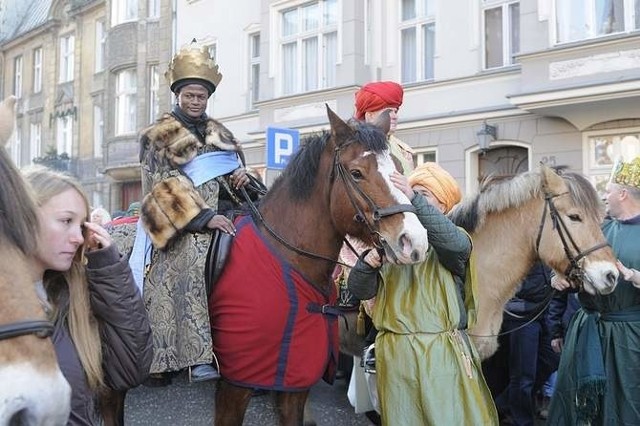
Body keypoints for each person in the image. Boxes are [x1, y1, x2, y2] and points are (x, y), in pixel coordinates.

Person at [347, 162, 499, 425]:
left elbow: (455, 244)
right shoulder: (391, 242)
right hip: (395, 354)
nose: (408, 197)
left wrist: (413, 197)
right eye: (406, 192)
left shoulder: (456, 240)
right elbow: (361, 291)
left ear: (442, 206)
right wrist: (366, 265)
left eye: (423, 194)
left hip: (441, 354)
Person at [136, 40, 250, 383]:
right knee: (192, 256)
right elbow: (161, 185)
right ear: (178, 95)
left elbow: (234, 181)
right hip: (177, 225)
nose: (196, 102)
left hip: (226, 215)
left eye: (201, 96)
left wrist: (244, 178)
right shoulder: (158, 134)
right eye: (189, 95)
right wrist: (203, 218)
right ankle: (195, 358)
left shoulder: (222, 134)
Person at [23, 166, 153, 425]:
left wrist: (109, 268)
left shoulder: (74, 293)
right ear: (24, 219)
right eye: (65, 221)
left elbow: (130, 370)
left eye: (81, 225)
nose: (77, 237)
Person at [548, 156, 640, 425]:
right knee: (576, 405)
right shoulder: (598, 228)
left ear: (623, 194)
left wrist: (635, 276)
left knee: (625, 405)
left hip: (629, 339)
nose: (604, 195)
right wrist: (560, 279)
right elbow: (572, 267)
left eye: (608, 190)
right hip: (586, 332)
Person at [483, 262, 559, 426]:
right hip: (521, 312)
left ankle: (500, 405)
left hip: (547, 307)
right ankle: (521, 421)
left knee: (553, 358)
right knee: (523, 376)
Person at [354, 81, 414, 175]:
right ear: (370, 115)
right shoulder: (356, 149)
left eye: (395, 112)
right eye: (388, 112)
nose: (395, 116)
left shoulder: (402, 150)